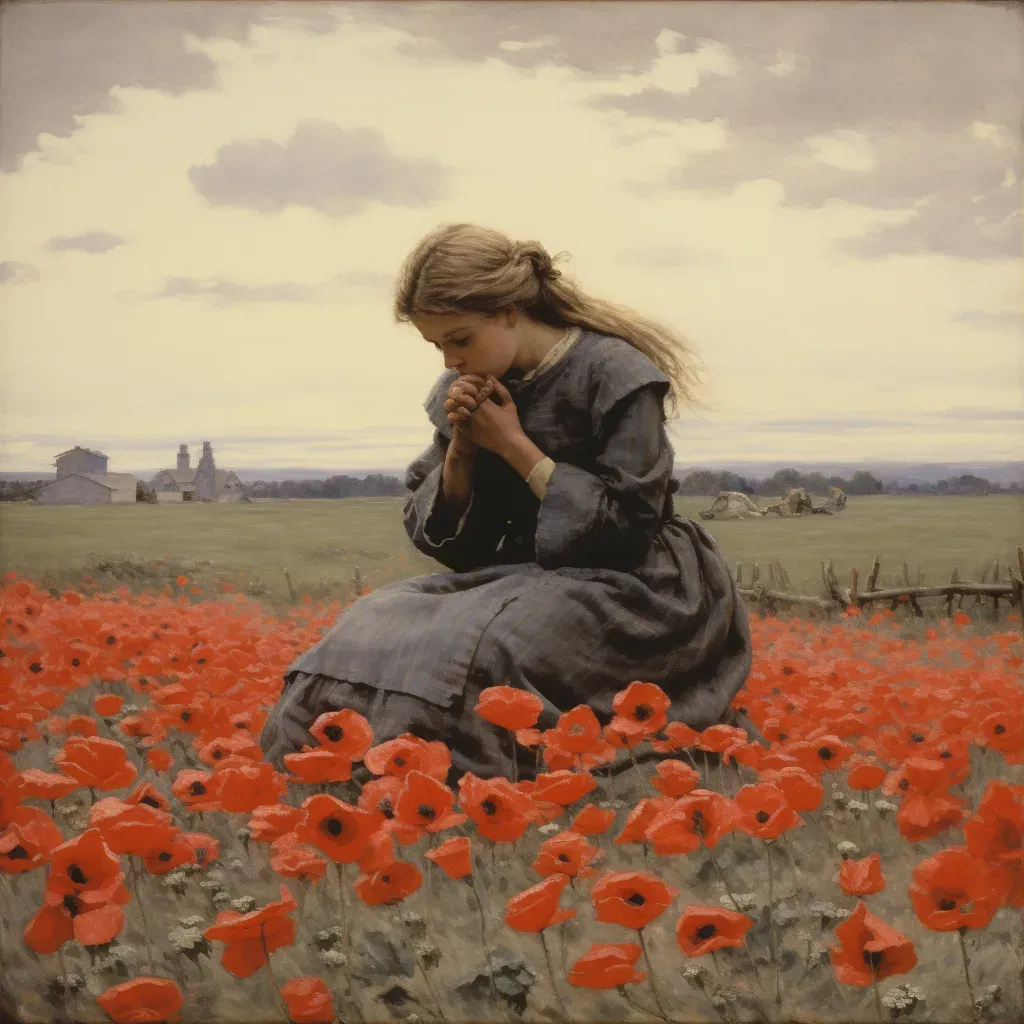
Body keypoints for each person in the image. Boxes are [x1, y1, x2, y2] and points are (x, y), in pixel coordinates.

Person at [259, 223, 757, 787]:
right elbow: (458, 548)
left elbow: (628, 528)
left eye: (460, 338)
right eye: (437, 345)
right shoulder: (470, 381)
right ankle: (351, 766)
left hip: (641, 584)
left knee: (488, 649)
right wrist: (463, 453)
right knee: (370, 618)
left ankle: (458, 779)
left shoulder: (614, 374)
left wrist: (515, 447)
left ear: (508, 311)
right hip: (527, 573)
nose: (449, 358)